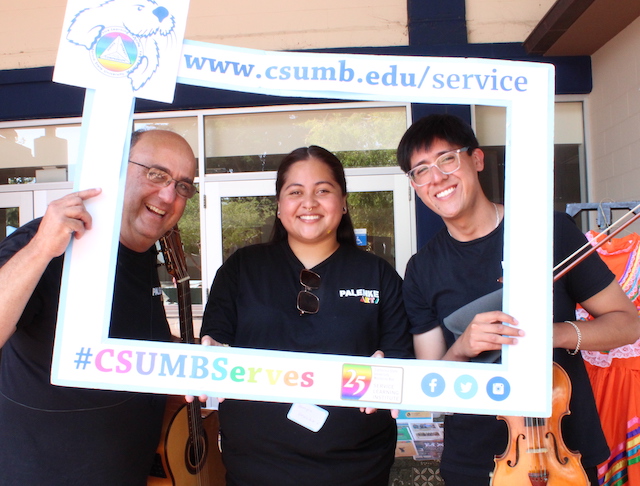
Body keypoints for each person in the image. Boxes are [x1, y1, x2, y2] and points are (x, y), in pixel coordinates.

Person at [397, 113, 640, 486]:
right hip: (474, 462)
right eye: (421, 170)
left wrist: (554, 334)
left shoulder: (550, 231)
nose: (437, 178)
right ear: (415, 185)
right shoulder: (421, 270)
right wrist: (463, 347)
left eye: (447, 159)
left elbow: (627, 323)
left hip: (565, 452)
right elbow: (433, 389)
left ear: (476, 160)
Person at [199, 145, 413, 486]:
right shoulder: (242, 268)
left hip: (356, 467)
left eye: (323, 191)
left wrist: (389, 371)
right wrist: (209, 352)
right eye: (295, 192)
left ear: (342, 202)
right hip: (256, 467)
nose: (309, 203)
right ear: (279, 206)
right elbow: (215, 339)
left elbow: (401, 357)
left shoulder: (377, 274)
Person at [0, 129, 197, 485]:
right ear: (116, 171)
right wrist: (42, 248)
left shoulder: (144, 254)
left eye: (183, 186)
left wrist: (206, 367)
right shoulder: (51, 240)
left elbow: (138, 341)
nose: (168, 195)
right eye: (156, 174)